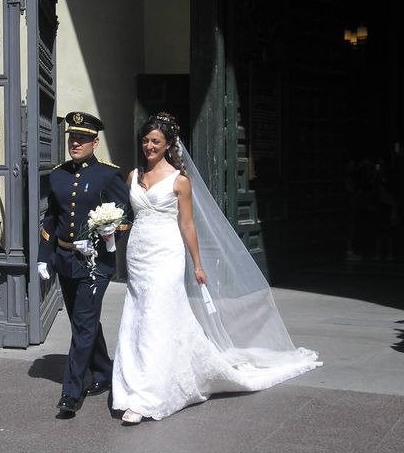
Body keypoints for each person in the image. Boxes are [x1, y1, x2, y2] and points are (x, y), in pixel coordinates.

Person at [112, 113, 321, 424]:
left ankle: (147, 396)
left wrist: (197, 264)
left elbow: (187, 224)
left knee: (157, 313)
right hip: (138, 253)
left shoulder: (180, 181)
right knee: (139, 313)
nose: (149, 145)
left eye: (155, 141)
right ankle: (132, 380)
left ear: (169, 144)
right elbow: (126, 214)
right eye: (145, 140)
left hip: (166, 254)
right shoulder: (133, 176)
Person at [37, 111, 131, 414]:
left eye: (82, 138)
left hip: (95, 262)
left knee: (84, 325)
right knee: (84, 321)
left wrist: (109, 229)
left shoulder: (108, 174)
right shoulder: (58, 174)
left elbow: (125, 214)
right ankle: (103, 373)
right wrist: (43, 256)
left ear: (95, 142)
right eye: (72, 138)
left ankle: (71, 391)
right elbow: (51, 217)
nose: (75, 143)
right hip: (64, 258)